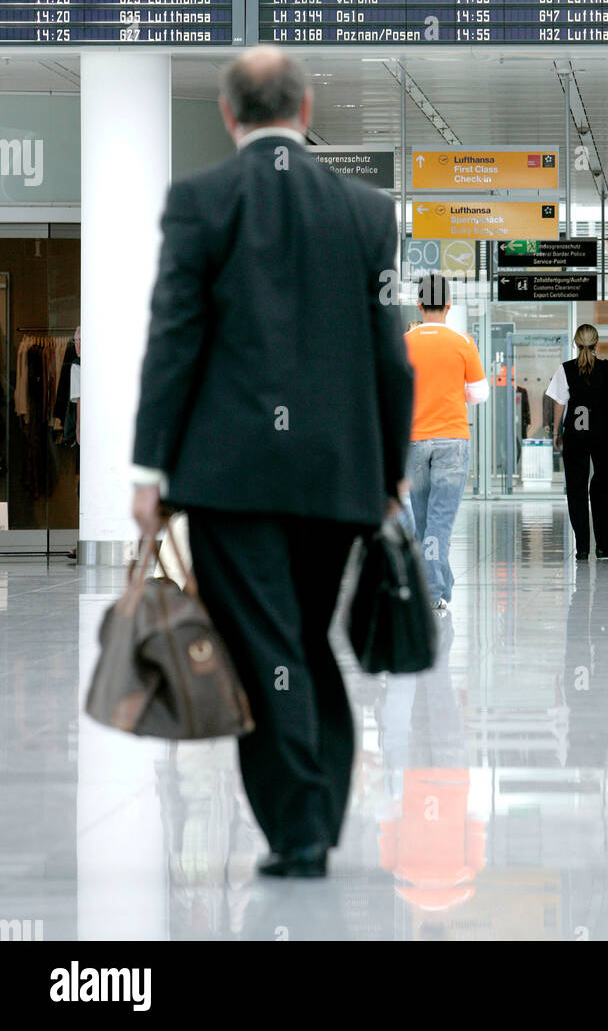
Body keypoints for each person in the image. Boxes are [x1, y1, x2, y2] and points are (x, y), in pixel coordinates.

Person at [130, 46, 414, 880]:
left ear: (229, 115)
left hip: (232, 478)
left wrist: (150, 470)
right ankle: (314, 816)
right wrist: (390, 471)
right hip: (336, 477)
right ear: (307, 108)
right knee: (302, 640)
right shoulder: (365, 211)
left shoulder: (201, 201)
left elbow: (173, 342)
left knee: (266, 647)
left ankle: (301, 829)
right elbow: (391, 359)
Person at [404, 273, 489, 611]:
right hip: (452, 439)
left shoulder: (404, 341)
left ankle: (437, 583)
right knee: (441, 520)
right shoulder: (462, 342)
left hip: (414, 439)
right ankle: (435, 589)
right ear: (449, 305)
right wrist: (457, 390)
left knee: (424, 520)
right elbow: (480, 394)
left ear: (420, 304)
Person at [546, 324, 608, 562]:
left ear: (575, 343)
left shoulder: (566, 370)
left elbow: (560, 403)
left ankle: (582, 547)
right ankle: (603, 545)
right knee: (602, 486)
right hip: (603, 435)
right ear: (597, 344)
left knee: (576, 489)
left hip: (576, 435)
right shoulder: (606, 368)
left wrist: (556, 431)